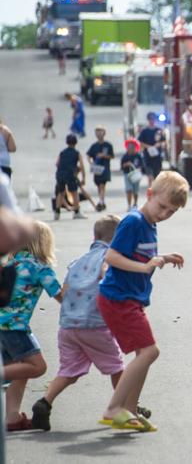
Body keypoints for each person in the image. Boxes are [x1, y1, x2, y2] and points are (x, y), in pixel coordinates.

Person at [30, 215, 144, 431]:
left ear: (95, 236)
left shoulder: (77, 262)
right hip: (95, 326)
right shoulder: (109, 259)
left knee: (69, 371)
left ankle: (45, 402)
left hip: (68, 327)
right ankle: (127, 408)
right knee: (116, 367)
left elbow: (64, 292)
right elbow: (105, 276)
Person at [97, 171, 188, 432]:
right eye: (161, 207)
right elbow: (112, 257)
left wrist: (164, 257)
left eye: (171, 212)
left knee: (143, 353)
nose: (163, 214)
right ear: (149, 194)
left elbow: (140, 255)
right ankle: (115, 407)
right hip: (118, 298)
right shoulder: (134, 221)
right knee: (150, 352)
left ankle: (130, 410)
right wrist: (145, 266)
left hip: (130, 300)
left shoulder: (149, 224)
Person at [0, 221, 62, 431]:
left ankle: (12, 417)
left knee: (20, 370)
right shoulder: (39, 267)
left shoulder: (11, 263)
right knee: (37, 366)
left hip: (7, 325)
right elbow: (61, 295)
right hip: (13, 327)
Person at [55, 134, 87, 220]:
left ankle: (57, 212)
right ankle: (76, 212)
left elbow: (57, 163)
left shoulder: (62, 152)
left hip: (60, 174)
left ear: (67, 142)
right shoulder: (77, 153)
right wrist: (83, 177)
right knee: (74, 192)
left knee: (61, 193)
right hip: (70, 174)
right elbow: (82, 165)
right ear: (76, 142)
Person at [86, 126, 114, 212]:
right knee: (99, 185)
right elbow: (88, 155)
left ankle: (101, 202)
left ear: (104, 133)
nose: (98, 133)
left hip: (105, 167)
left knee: (102, 184)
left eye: (100, 131)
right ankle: (102, 200)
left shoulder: (108, 145)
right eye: (97, 132)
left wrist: (104, 155)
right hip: (97, 168)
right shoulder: (94, 146)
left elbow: (112, 156)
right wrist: (91, 163)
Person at [137, 112, 166, 187]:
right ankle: (150, 190)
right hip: (148, 155)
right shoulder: (144, 131)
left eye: (153, 119)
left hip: (157, 156)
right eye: (150, 119)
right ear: (148, 120)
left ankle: (156, 190)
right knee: (149, 175)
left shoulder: (159, 130)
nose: (152, 121)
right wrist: (148, 147)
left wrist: (157, 145)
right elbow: (140, 142)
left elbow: (163, 141)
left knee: (157, 175)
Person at [121, 138, 144, 211]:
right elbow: (122, 166)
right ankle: (129, 205)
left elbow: (142, 165)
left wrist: (138, 168)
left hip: (136, 174)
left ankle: (135, 203)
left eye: (132, 146)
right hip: (127, 174)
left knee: (135, 190)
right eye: (129, 147)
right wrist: (126, 164)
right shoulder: (125, 156)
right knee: (129, 189)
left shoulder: (138, 155)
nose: (130, 148)